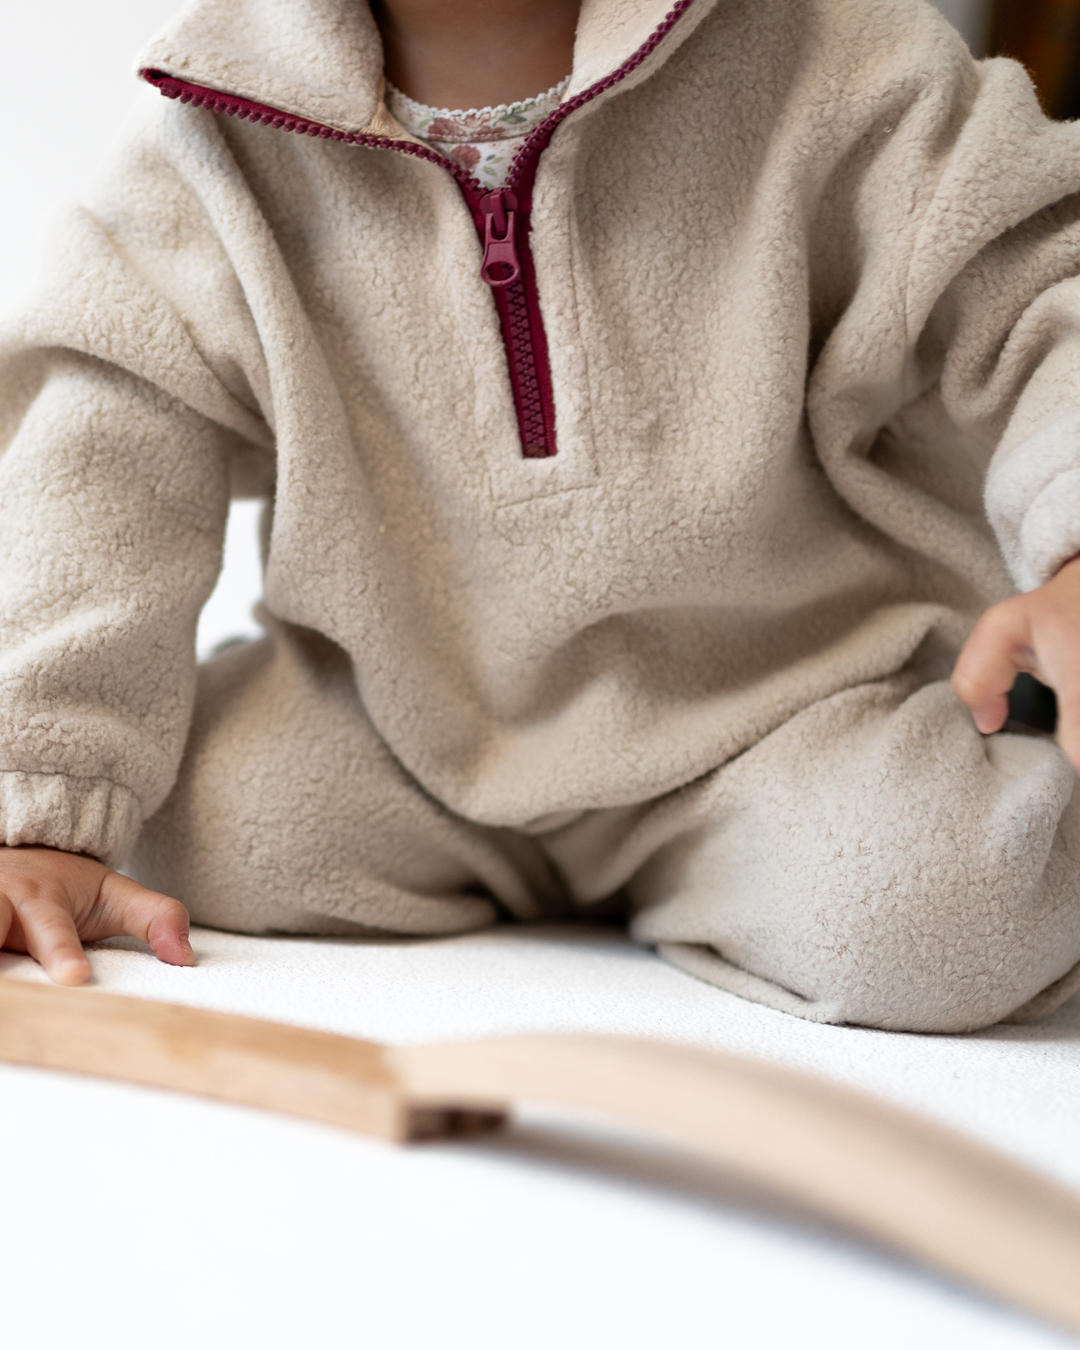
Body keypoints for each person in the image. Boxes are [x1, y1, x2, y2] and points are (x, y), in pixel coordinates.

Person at [3, 0, 1080, 1032]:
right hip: (408, 724)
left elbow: (1041, 284)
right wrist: (41, 815)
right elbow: (97, 467)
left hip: (782, 711)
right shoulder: (204, 146)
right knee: (207, 826)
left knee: (955, 902)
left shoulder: (846, 59)